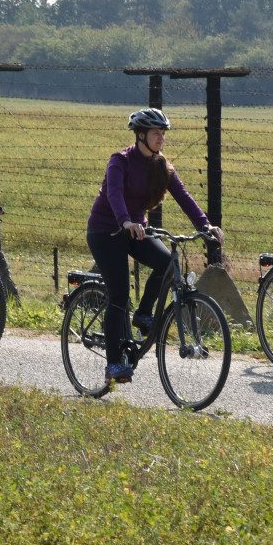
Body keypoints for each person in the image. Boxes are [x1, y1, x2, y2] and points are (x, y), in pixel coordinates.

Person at [86, 108, 223, 385]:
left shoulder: (161, 165)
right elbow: (114, 194)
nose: (161, 138)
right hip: (105, 232)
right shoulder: (119, 161)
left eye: (163, 134)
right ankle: (113, 363)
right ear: (140, 135)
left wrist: (205, 226)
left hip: (135, 230)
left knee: (168, 263)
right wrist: (125, 221)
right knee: (119, 294)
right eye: (156, 133)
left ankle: (145, 313)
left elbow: (183, 196)